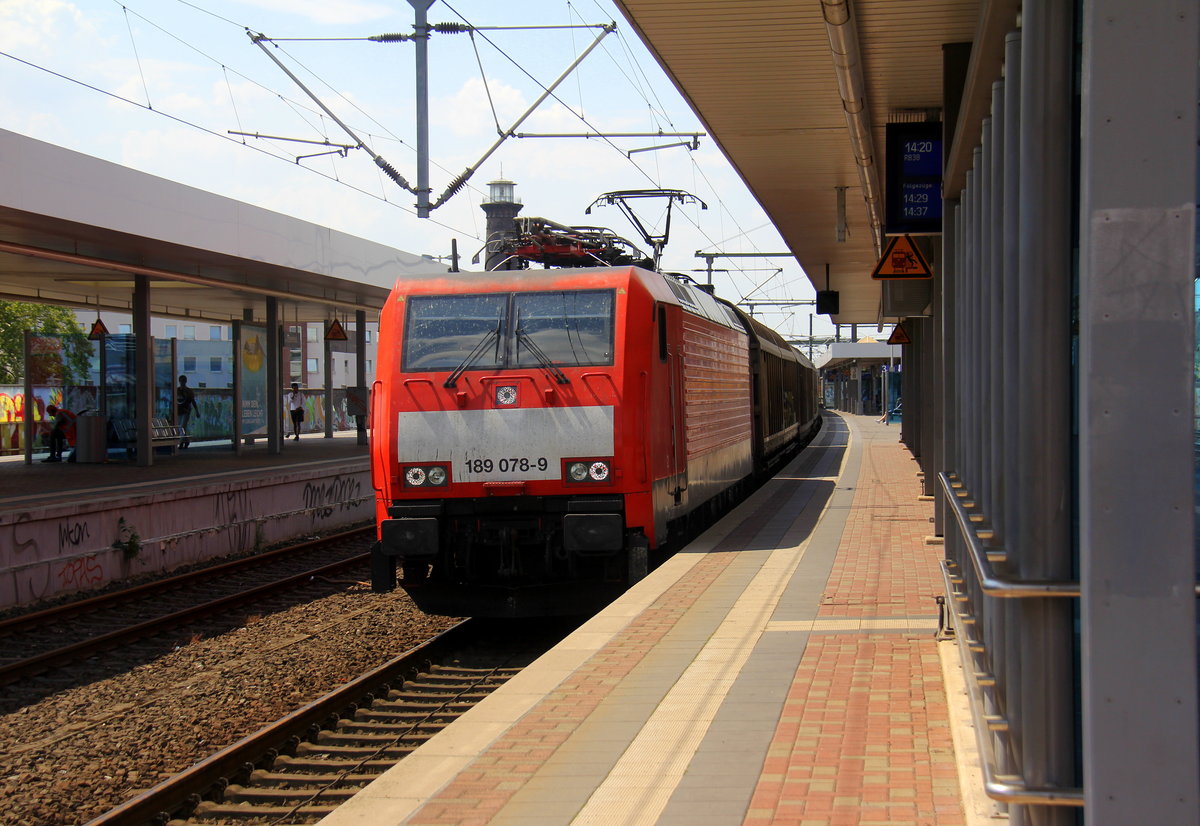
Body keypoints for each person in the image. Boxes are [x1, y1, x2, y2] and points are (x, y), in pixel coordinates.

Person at [177, 375, 200, 448]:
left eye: (183, 381)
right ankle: (186, 441)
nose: (182, 383)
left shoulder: (188, 391)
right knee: (181, 427)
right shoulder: (178, 390)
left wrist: (197, 411)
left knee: (182, 426)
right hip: (180, 411)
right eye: (181, 381)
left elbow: (193, 401)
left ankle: (181, 443)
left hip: (186, 410)